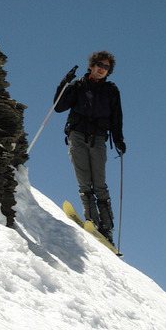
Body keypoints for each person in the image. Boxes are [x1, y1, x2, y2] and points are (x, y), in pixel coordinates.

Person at [54, 51, 126, 243]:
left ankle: (107, 229)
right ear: (91, 66)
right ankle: (92, 221)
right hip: (76, 135)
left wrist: (118, 139)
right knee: (85, 183)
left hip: (99, 138)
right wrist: (65, 83)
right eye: (100, 65)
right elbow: (59, 106)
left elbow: (116, 118)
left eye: (106, 67)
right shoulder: (78, 86)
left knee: (100, 184)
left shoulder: (111, 91)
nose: (102, 69)